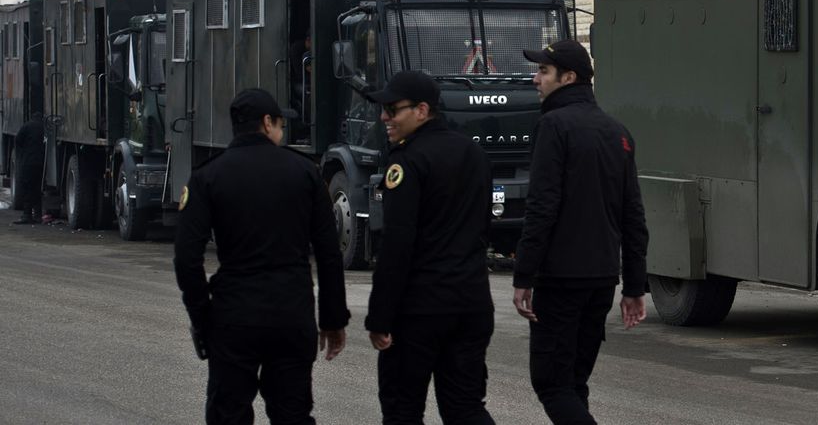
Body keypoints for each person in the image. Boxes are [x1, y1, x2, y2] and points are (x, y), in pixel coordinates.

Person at [173, 88, 349, 425]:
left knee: (228, 414)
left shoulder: (208, 176)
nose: (282, 132)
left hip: (234, 315)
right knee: (293, 415)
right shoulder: (305, 172)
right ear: (267, 123)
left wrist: (203, 317)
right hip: (291, 314)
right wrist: (332, 319)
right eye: (281, 125)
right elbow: (329, 252)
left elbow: (186, 258)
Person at [512, 39, 648, 425]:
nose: (535, 79)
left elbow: (542, 207)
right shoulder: (617, 132)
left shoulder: (553, 126)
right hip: (601, 279)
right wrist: (634, 286)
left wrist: (524, 276)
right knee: (573, 383)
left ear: (568, 77)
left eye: (543, 71)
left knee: (552, 384)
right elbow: (633, 216)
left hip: (560, 278)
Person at [366, 69, 497, 425]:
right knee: (466, 407)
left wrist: (380, 316)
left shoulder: (406, 161)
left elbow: (397, 244)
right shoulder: (473, 152)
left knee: (402, 410)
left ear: (422, 110)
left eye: (392, 109)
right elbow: (484, 227)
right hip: (471, 302)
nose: (384, 118)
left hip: (420, 309)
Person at [9, 112, 44, 225]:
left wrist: (20, 155)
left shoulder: (27, 126)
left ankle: (27, 215)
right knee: (37, 189)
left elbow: (18, 140)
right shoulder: (43, 127)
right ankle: (38, 215)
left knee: (27, 188)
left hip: (28, 162)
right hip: (40, 163)